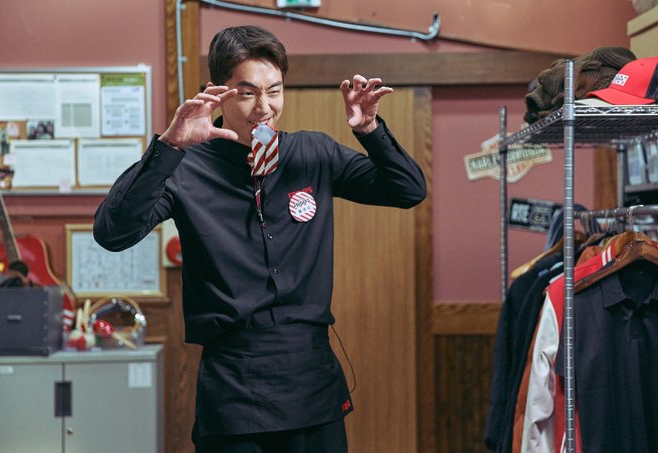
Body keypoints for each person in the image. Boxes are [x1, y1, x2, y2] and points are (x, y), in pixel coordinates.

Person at [93, 24, 426, 453]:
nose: (264, 107)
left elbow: (408, 190)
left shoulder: (313, 153)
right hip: (233, 386)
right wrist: (169, 147)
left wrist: (371, 130)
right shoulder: (187, 166)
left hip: (312, 378)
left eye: (275, 91)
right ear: (217, 92)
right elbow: (112, 233)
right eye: (247, 93)